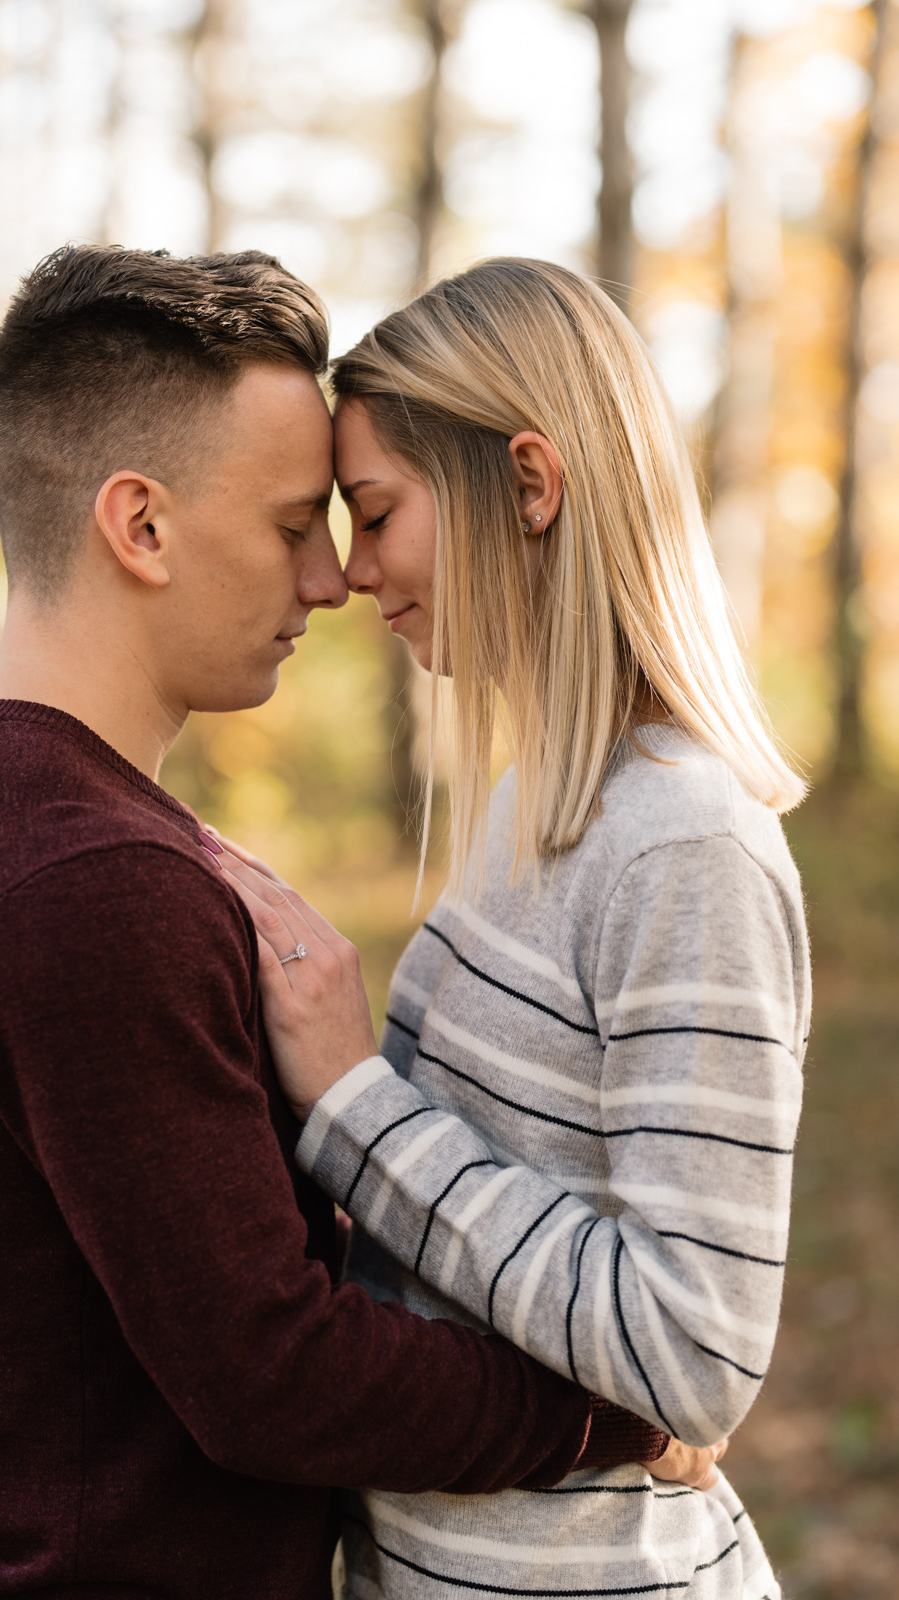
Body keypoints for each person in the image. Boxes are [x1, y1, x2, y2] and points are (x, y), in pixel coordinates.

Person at [0, 245, 699, 1600]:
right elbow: (272, 1378)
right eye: (294, 524)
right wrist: (617, 1415)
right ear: (140, 527)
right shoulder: (85, 884)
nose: (331, 580)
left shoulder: (3, 809)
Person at [218, 258, 810, 1600]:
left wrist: (355, 1098)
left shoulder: (685, 845)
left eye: (377, 514)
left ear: (531, 485)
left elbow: (696, 1355)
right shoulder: (536, 809)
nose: (354, 572)